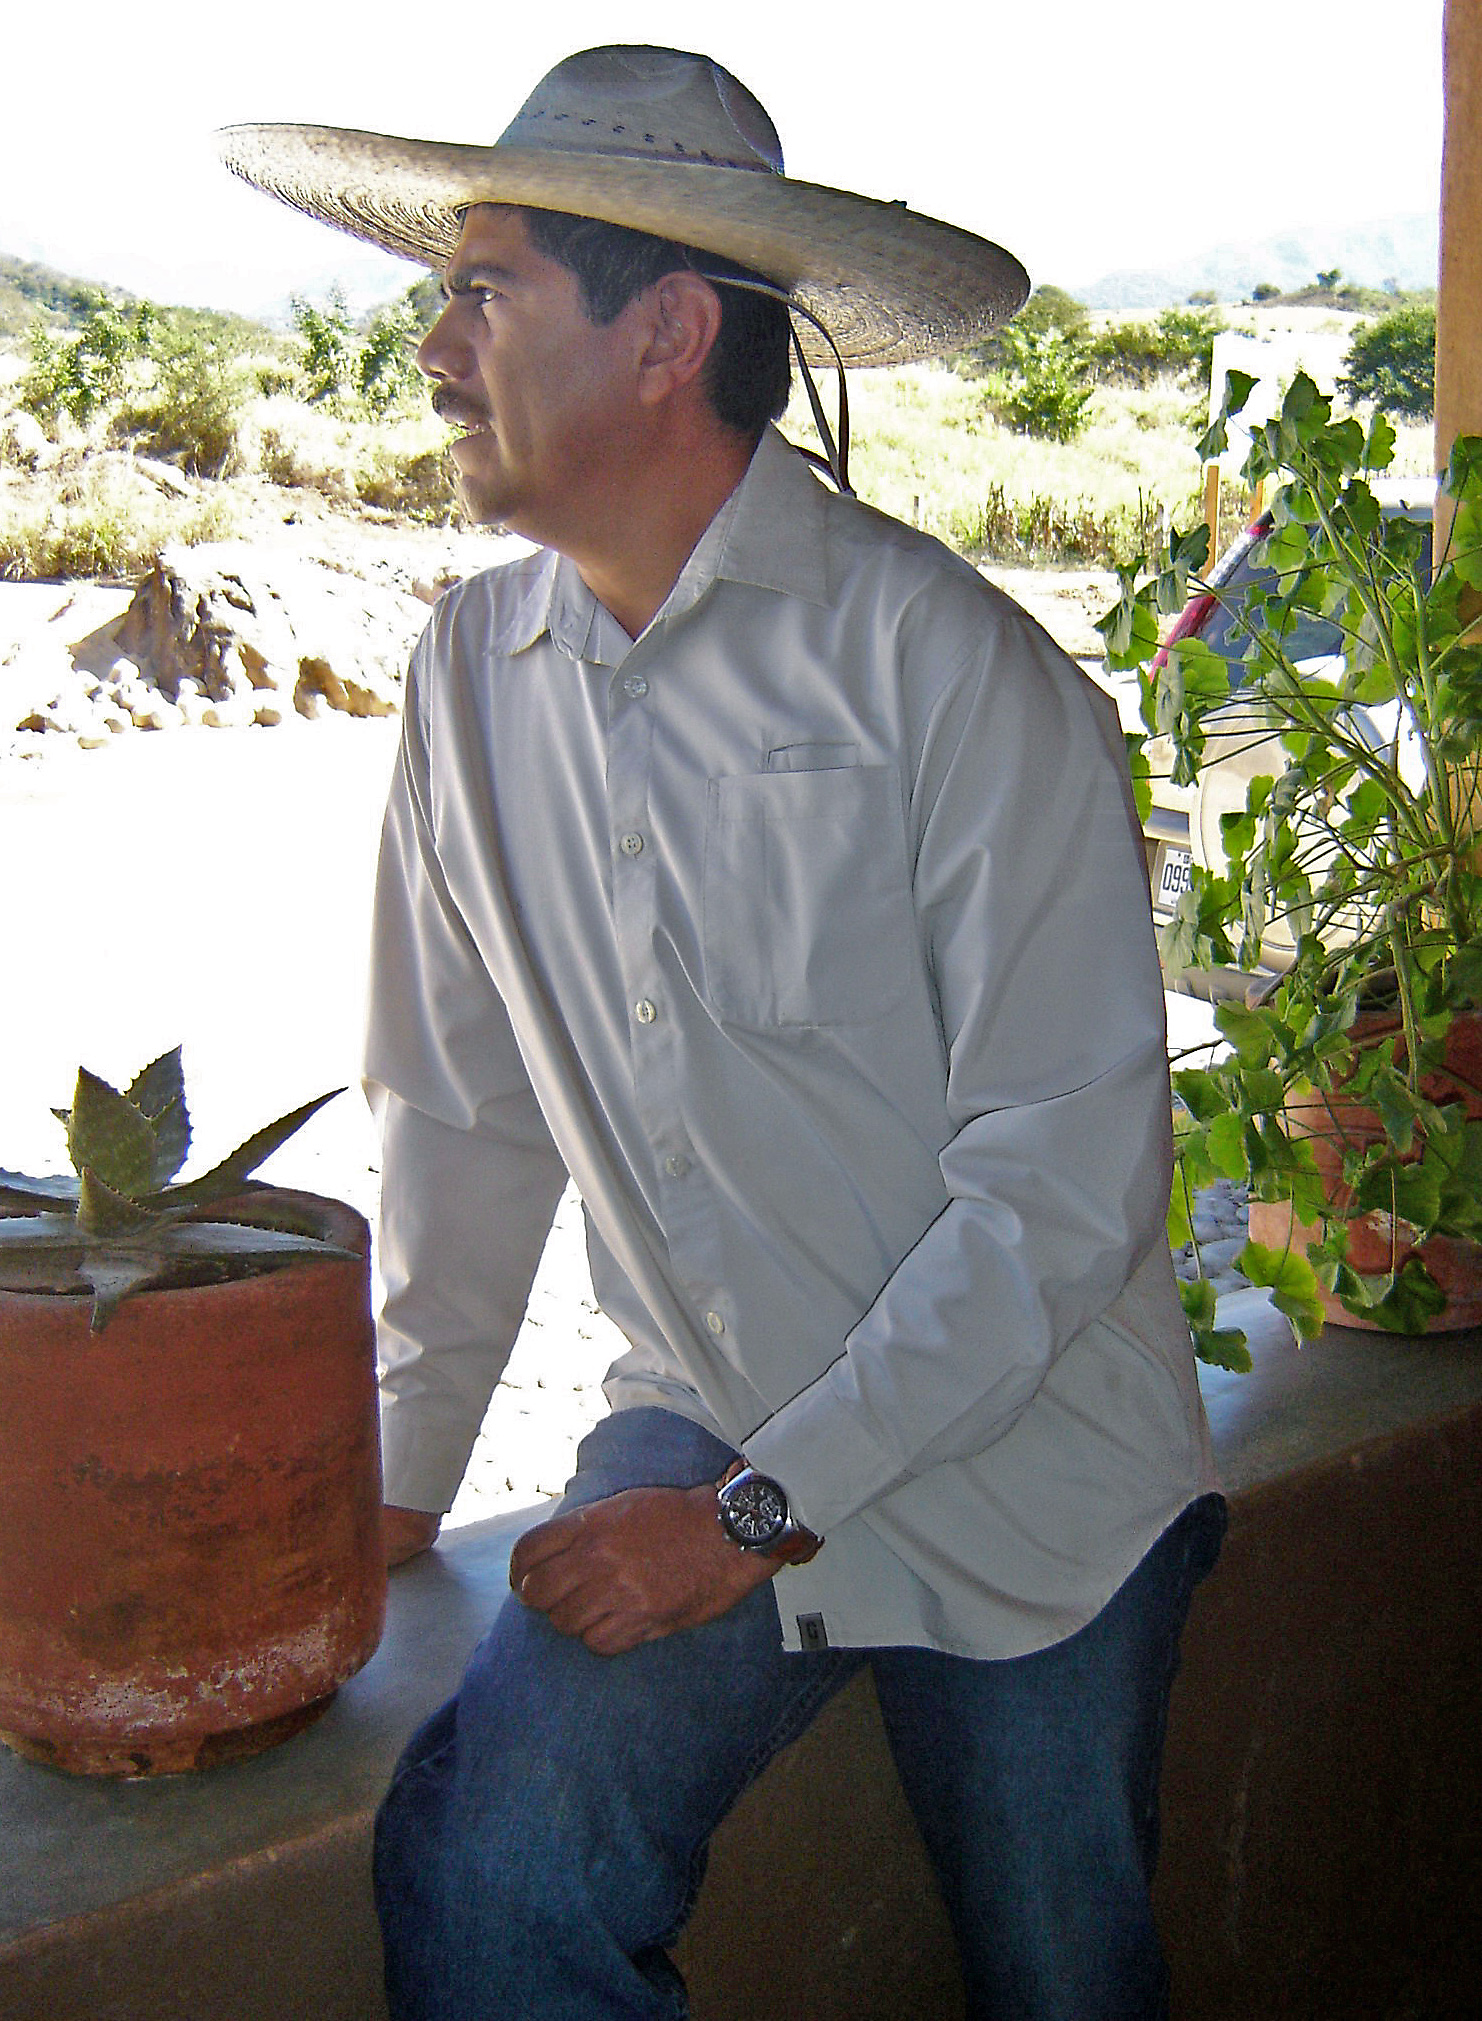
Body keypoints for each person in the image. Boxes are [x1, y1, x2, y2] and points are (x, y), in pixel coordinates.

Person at [222, 44, 1223, 2020]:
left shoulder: (956, 672)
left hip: (1036, 1475)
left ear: (666, 333)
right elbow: (464, 1114)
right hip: (704, 1413)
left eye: (483, 290)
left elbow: (1062, 1186)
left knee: (1062, 1983)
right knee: (490, 1879)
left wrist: (755, 1515)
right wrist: (403, 1478)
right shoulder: (468, 677)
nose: (432, 347)